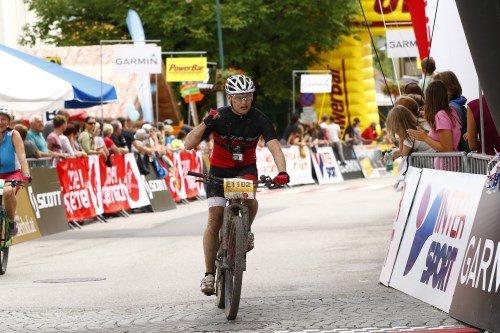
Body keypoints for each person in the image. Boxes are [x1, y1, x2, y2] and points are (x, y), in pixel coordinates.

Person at [184, 74, 289, 296]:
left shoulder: (260, 119)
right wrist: (206, 122)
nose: (245, 101)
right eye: (240, 96)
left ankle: (245, 231)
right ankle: (209, 275)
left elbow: (275, 147)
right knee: (214, 218)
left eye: (249, 96)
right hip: (219, 172)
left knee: (250, 199)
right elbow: (188, 144)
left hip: (245, 170)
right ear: (230, 97)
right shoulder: (218, 117)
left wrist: (282, 171)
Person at [407, 80, 462, 169]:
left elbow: (447, 148)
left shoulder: (441, 115)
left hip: (446, 166)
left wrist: (425, 137)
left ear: (430, 98)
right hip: (450, 164)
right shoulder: (451, 111)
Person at [0, 107, 31, 236]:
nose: (0, 122)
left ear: (8, 122)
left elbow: (22, 155)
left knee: (7, 191)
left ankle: (12, 222)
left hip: (12, 173)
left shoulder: (13, 134)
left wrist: (26, 173)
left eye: (3, 119)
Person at [433, 71, 468, 151]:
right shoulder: (458, 105)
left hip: (457, 157)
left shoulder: (451, 108)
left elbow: (448, 145)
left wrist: (425, 137)